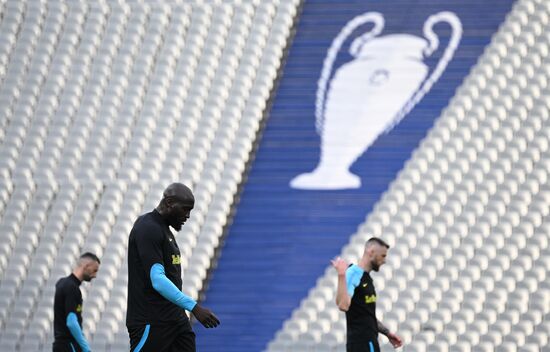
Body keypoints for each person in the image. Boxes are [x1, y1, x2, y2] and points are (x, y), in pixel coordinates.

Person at [126, 182, 220, 352]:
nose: (188, 216)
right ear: (169, 203)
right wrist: (194, 307)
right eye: (185, 209)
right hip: (152, 322)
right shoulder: (148, 228)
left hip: (175, 321)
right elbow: (158, 280)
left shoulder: (165, 231)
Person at [332, 237, 403, 352]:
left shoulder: (366, 278)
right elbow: (343, 305)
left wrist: (387, 333)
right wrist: (341, 275)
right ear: (371, 252)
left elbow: (366, 314)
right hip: (361, 344)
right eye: (383, 256)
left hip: (369, 342)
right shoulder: (353, 273)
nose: (384, 260)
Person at [53, 252, 101, 352]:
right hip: (69, 345)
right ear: (86, 266)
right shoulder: (72, 288)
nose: (95, 275)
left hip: (59, 345)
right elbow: (71, 322)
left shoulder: (61, 283)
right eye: (94, 270)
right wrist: (85, 347)